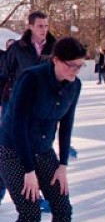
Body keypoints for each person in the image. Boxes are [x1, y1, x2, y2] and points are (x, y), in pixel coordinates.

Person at [0, 36, 85, 220]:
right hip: (12, 150)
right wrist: (29, 171)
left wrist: (63, 165)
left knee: (63, 210)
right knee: (30, 213)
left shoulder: (75, 86)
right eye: (71, 65)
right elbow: (18, 126)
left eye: (80, 66)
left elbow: (66, 125)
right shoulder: (32, 79)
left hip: (43, 150)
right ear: (55, 60)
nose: (75, 71)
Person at [0, 11, 56, 107]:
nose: (44, 29)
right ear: (30, 27)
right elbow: (3, 74)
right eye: (40, 26)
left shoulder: (56, 48)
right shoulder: (17, 48)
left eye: (46, 26)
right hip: (20, 101)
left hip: (46, 103)